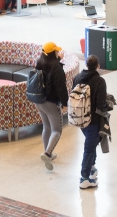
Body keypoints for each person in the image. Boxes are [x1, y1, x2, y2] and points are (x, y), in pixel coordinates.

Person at [73, 54, 108, 189]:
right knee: (89, 147)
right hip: (93, 120)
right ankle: (84, 178)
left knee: (91, 143)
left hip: (80, 119)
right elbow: (100, 104)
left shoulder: (77, 78)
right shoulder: (99, 81)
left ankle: (92, 168)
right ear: (98, 66)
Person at [35, 42, 69, 171]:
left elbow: (49, 68)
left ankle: (47, 151)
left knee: (46, 127)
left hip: (39, 100)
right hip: (51, 102)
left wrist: (59, 59)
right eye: (56, 51)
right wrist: (65, 104)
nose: (58, 52)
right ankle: (47, 153)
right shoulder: (57, 67)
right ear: (52, 53)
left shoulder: (40, 62)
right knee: (57, 130)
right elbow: (61, 88)